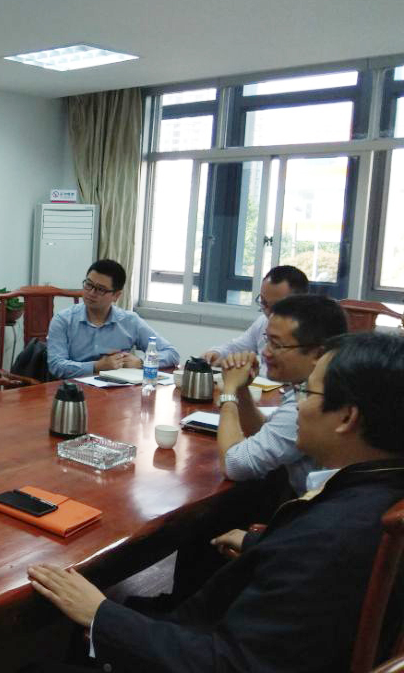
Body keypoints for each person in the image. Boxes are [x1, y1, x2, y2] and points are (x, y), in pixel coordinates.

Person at [28, 331, 404, 672]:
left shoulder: (329, 538)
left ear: (347, 417)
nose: (297, 404)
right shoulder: (378, 494)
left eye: (306, 392)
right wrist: (261, 543)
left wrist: (100, 614)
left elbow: (232, 663)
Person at [218, 294, 347, 496]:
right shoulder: (310, 385)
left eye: (276, 345)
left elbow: (234, 466)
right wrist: (242, 389)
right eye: (267, 340)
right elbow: (266, 432)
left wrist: (229, 390)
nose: (265, 352)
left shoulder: (314, 400)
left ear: (318, 354)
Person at [47, 259, 179, 379]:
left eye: (100, 289)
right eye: (88, 285)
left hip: (117, 390)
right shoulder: (63, 320)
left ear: (116, 295)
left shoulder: (130, 321)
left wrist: (141, 362)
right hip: (74, 390)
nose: (91, 293)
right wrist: (96, 366)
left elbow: (171, 353)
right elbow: (56, 365)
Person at [202, 265, 309, 374]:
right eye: (263, 302)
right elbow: (235, 348)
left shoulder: (311, 332)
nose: (268, 312)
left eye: (276, 306)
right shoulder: (263, 322)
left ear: (299, 302)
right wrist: (217, 353)